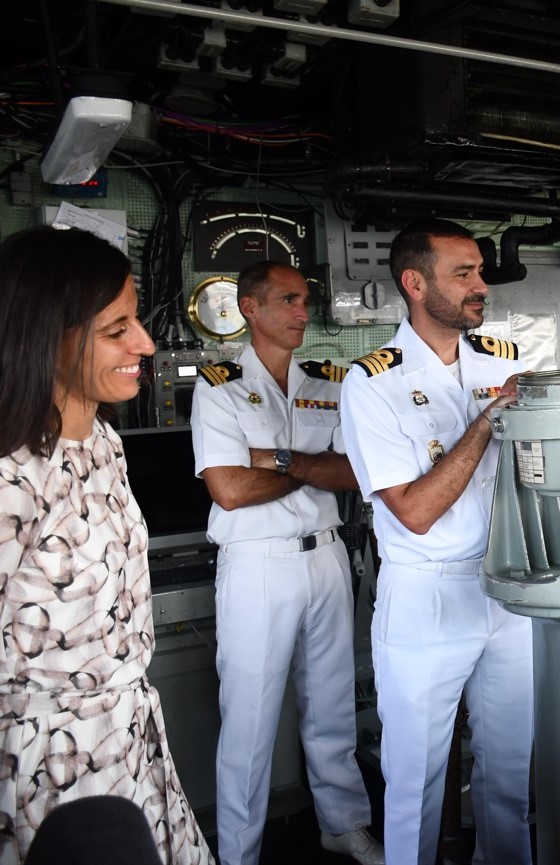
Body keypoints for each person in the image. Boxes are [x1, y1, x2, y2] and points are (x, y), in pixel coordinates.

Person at [0, 225, 213, 865]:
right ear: (46, 336)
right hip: (49, 766)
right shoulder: (11, 475)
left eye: (137, 323)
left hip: (129, 740)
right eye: (116, 329)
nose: (145, 344)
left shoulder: (102, 443)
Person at [339, 219, 532, 865]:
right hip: (426, 597)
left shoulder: (501, 364)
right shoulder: (372, 382)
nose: (481, 286)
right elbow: (415, 511)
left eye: (479, 272)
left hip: (507, 589)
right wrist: (489, 419)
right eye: (464, 274)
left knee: (511, 771)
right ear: (415, 283)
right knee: (414, 784)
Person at [189, 261, 382, 865]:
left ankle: (342, 823)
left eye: (305, 300)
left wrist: (274, 460)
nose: (304, 312)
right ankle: (239, 854)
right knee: (248, 720)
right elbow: (229, 490)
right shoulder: (217, 382)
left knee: (331, 706)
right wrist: (308, 463)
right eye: (289, 300)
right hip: (257, 565)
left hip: (326, 558)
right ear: (249, 307)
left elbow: (355, 474)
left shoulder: (329, 379)